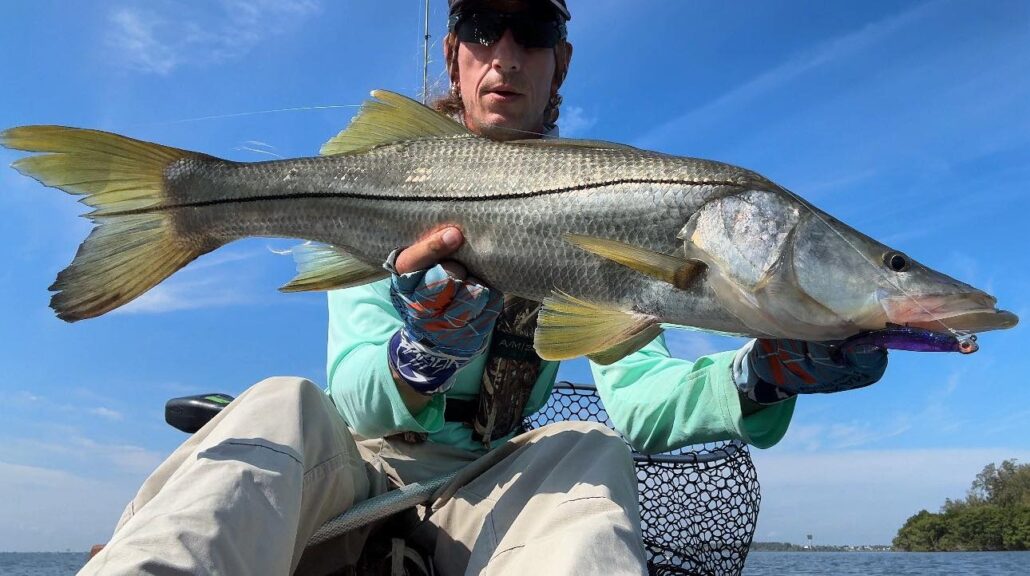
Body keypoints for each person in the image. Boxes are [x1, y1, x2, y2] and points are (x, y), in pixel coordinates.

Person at [80, 1, 888, 575]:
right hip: (363, 468)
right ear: (455, 56)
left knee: (591, 444)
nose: (505, 52)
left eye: (532, 30)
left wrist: (761, 374)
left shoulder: (618, 196)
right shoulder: (388, 177)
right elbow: (358, 400)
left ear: (558, 60)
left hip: (494, 481)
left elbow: (641, 397)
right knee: (279, 405)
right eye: (479, 29)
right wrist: (422, 352)